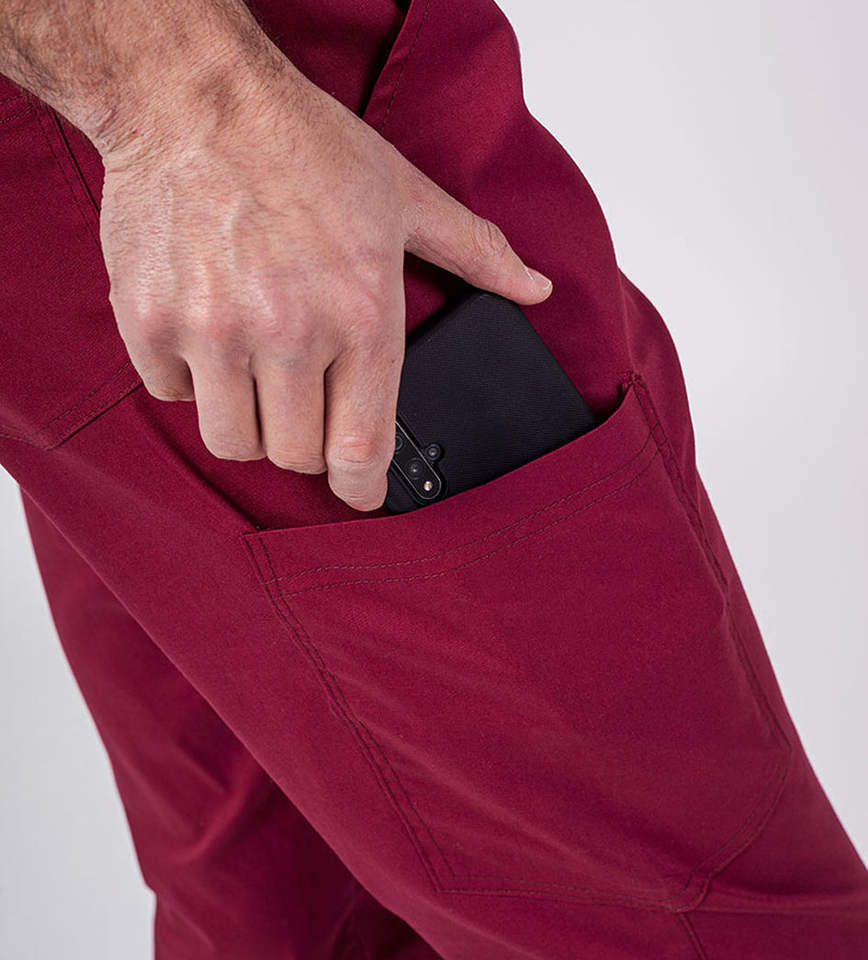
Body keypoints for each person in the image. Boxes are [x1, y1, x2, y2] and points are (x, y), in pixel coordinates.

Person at [0, 1, 865, 957]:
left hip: (108, 141)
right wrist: (189, 106)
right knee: (693, 914)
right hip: (222, 110)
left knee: (274, 902)